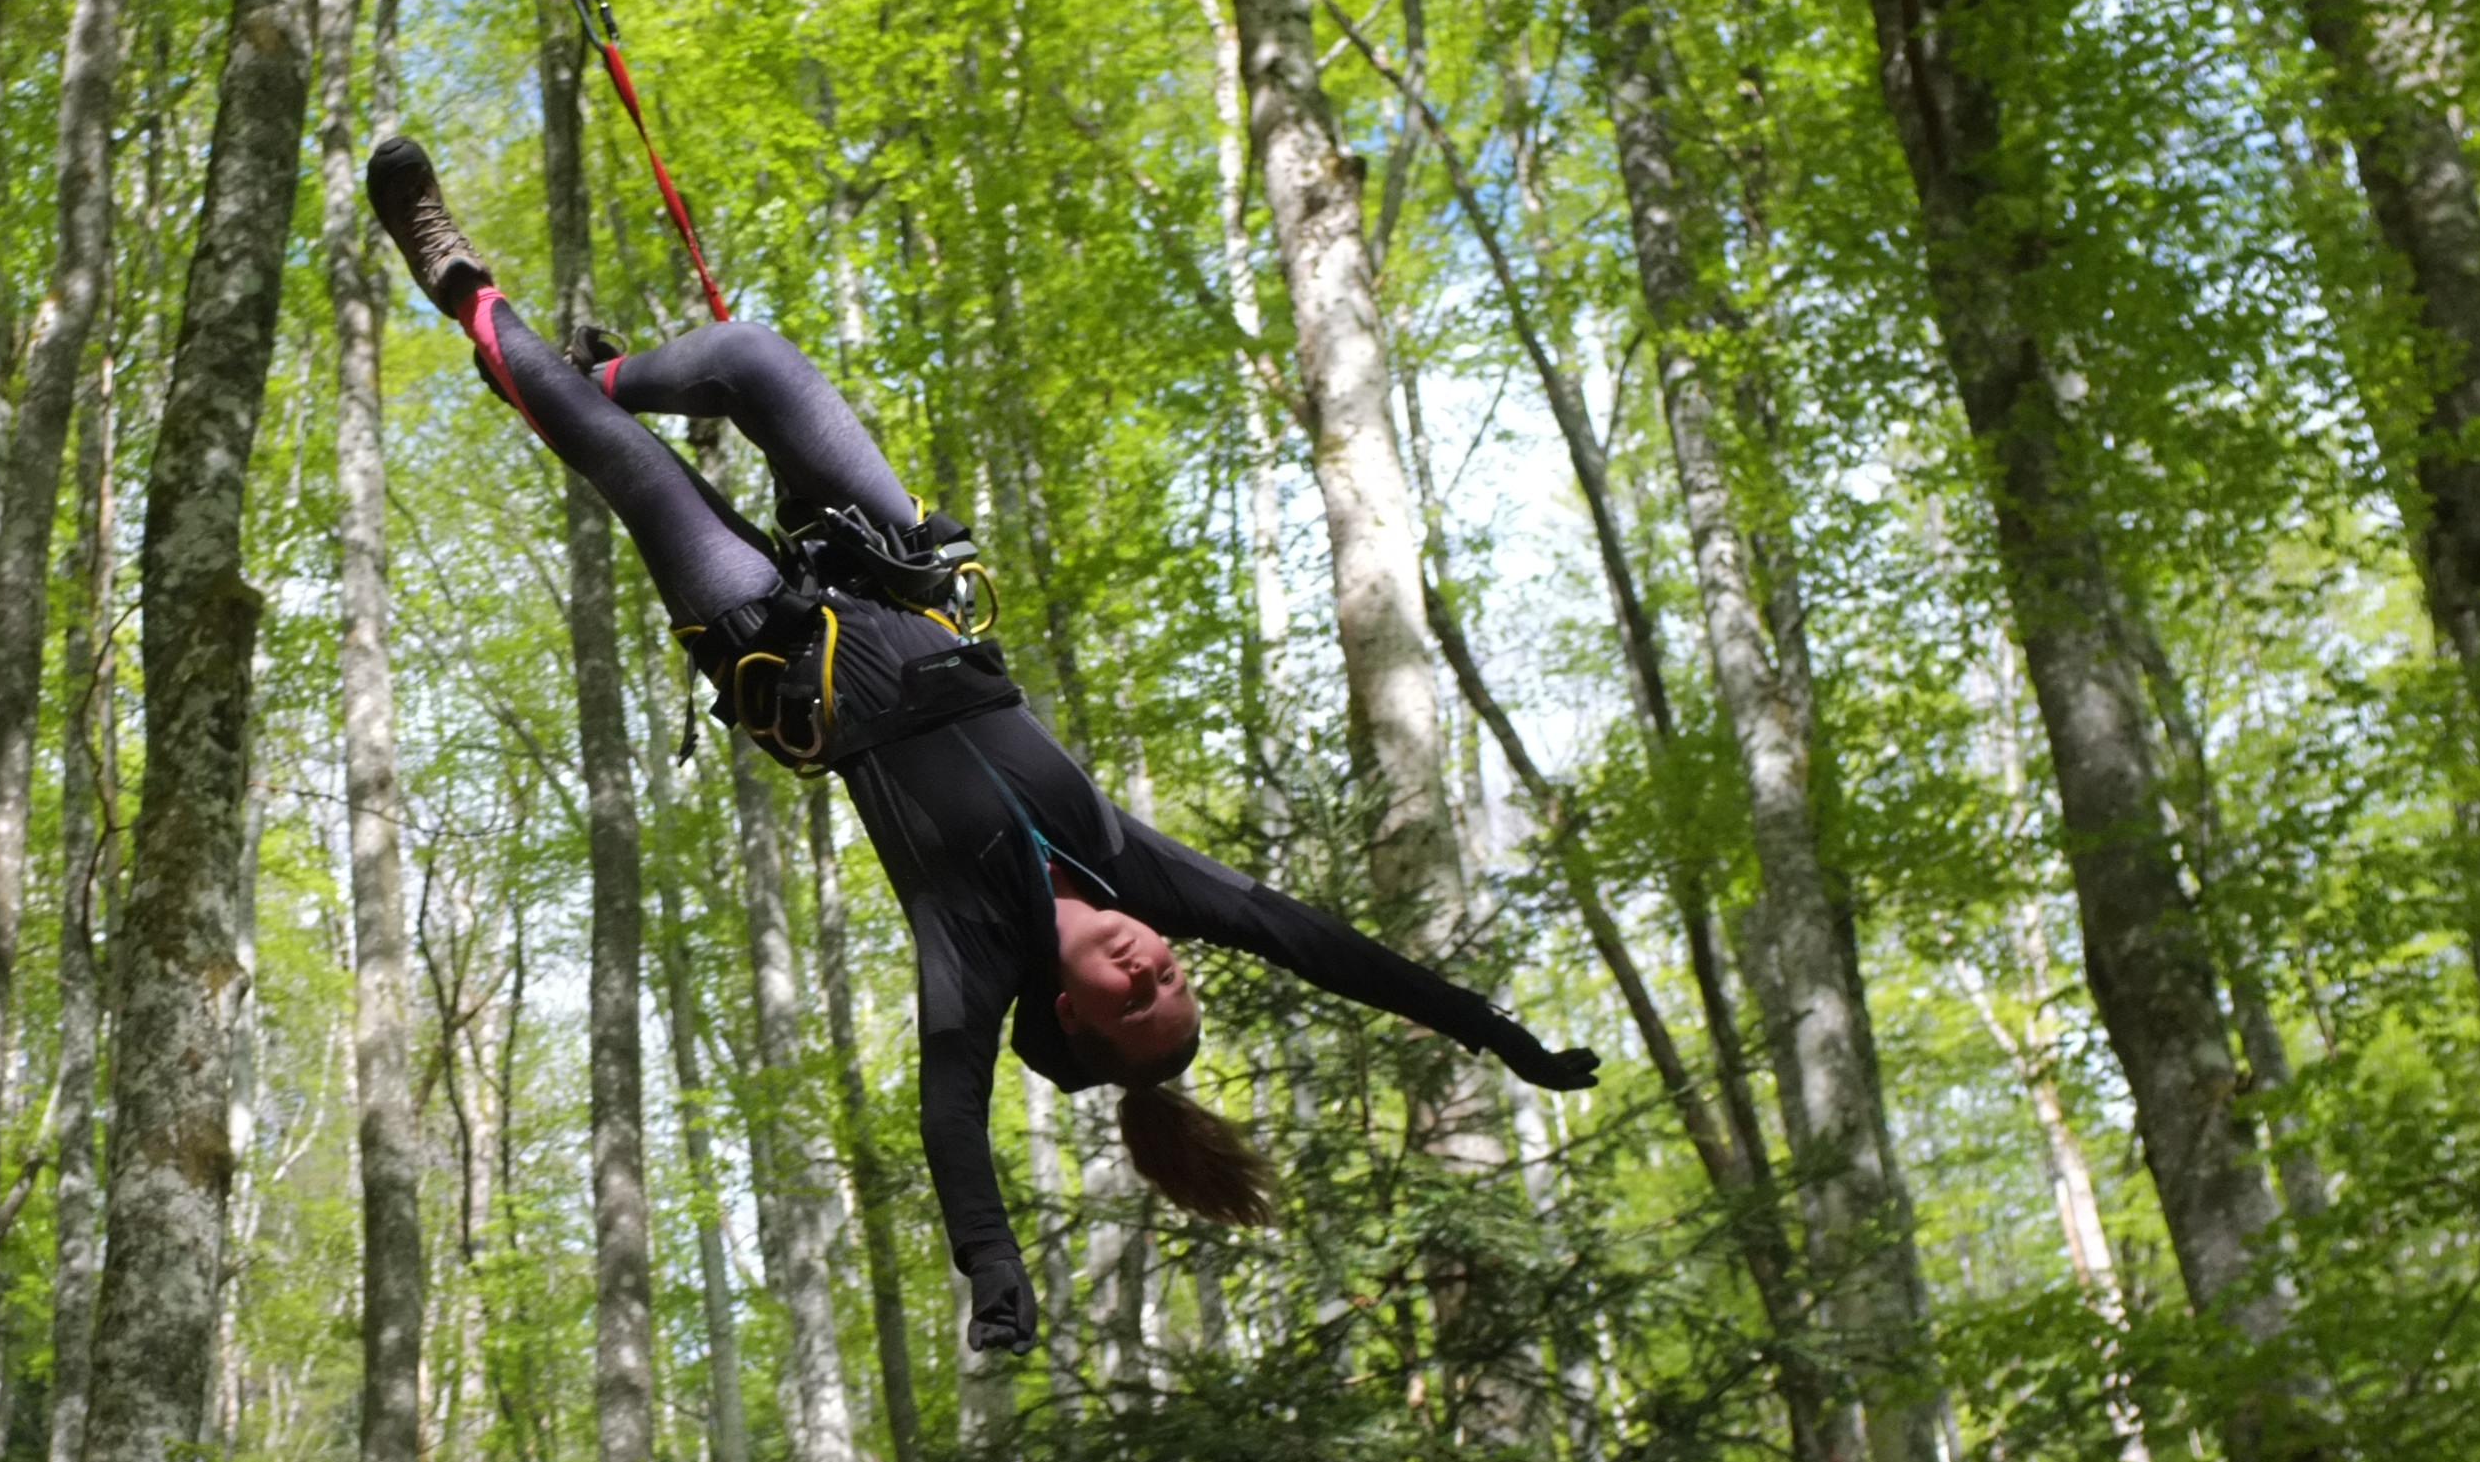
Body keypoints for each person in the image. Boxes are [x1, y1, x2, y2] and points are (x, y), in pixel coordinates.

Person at [364, 137, 1598, 1354]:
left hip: (776, 639)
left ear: (1068, 1013)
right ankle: (601, 372)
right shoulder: (1141, 873)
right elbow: (1320, 946)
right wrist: (1495, 1033)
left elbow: (951, 1118)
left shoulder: (974, 957)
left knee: (619, 461)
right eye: (1173, 981)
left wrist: (992, 1269)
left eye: (1132, 1002)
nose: (1151, 969)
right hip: (896, 579)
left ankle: (459, 281)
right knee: (751, 360)